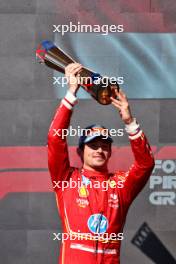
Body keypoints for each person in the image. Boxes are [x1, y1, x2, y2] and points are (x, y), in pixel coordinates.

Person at [47, 63, 155, 264]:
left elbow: (145, 164)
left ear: (110, 151)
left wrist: (129, 121)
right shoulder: (66, 179)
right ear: (80, 151)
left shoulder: (121, 186)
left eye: (104, 145)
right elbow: (55, 139)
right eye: (92, 145)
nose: (99, 149)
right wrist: (71, 92)